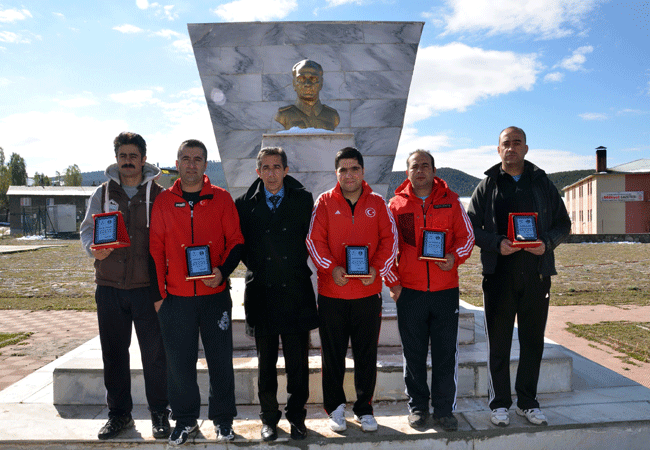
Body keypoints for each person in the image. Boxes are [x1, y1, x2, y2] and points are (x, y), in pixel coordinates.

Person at [467, 127, 571, 427]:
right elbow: (470, 228)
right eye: (505, 144)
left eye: (516, 143)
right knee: (498, 343)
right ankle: (499, 404)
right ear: (498, 149)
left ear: (526, 148)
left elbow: (564, 224)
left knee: (532, 341)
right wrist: (496, 243)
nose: (511, 148)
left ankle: (528, 402)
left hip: (536, 275)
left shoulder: (542, 183)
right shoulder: (487, 185)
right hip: (499, 274)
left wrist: (546, 244)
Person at [150, 139, 244, 446]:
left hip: (214, 295)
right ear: (177, 164)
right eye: (186, 158)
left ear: (206, 164)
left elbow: (236, 242)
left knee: (220, 360)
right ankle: (186, 420)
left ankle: (223, 419)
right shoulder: (164, 201)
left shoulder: (221, 199)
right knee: (179, 362)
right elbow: (155, 250)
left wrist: (222, 272)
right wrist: (160, 296)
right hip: (176, 299)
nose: (191, 164)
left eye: (198, 159)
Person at [80, 131, 169, 440]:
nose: (128, 161)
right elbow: (87, 230)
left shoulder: (160, 194)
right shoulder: (103, 194)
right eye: (123, 156)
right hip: (110, 287)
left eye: (133, 156)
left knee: (155, 356)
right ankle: (119, 415)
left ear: (143, 158)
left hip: (148, 290)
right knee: (114, 354)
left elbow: (169, 241)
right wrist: (94, 247)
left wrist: (163, 289)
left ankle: (159, 413)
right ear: (116, 158)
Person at [306, 147, 397, 433]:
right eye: (343, 169)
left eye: (354, 168)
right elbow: (314, 241)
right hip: (333, 294)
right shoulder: (324, 202)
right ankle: (335, 408)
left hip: (367, 295)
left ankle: (364, 408)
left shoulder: (378, 203)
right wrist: (331, 268)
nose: (349, 174)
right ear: (336, 173)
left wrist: (377, 269)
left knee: (366, 355)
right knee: (332, 355)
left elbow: (390, 240)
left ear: (362, 171)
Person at [385, 150, 474, 432]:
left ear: (434, 170)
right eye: (415, 166)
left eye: (426, 165)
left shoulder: (452, 202)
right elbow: (386, 248)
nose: (420, 170)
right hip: (409, 291)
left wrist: (454, 257)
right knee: (414, 353)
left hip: (445, 290)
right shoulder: (396, 205)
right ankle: (418, 408)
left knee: (446, 353)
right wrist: (393, 282)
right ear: (407, 172)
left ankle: (444, 410)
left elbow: (467, 238)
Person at [235, 147, 318, 441]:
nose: (271, 173)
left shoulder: (304, 200)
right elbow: (240, 244)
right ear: (258, 171)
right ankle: (269, 419)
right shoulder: (244, 204)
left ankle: (297, 418)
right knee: (266, 363)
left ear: (285, 170)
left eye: (276, 167)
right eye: (265, 167)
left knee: (298, 363)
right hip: (262, 290)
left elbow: (313, 238)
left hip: (294, 289)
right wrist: (261, 266)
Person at [274, 59, 340, 131]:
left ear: (321, 83)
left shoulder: (332, 115)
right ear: (294, 84)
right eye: (301, 79)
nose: (307, 84)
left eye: (314, 79)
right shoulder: (283, 115)